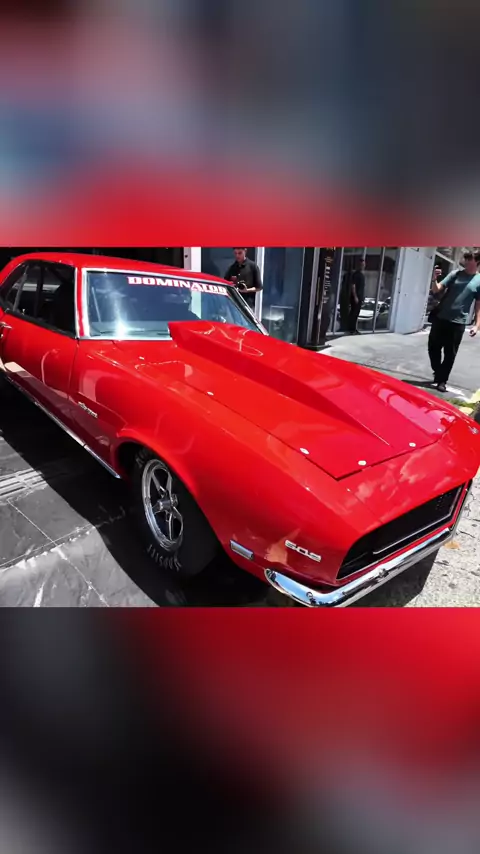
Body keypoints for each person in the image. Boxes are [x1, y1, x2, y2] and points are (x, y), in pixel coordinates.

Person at [428, 250, 480, 392]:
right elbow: (436, 289)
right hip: (441, 318)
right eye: (466, 258)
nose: (466, 261)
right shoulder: (455, 274)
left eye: (470, 258)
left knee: (450, 353)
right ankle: (438, 371)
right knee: (433, 348)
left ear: (477, 262)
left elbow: (478, 305)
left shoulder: (479, 281)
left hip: (458, 322)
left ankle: (442, 380)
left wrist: (477, 325)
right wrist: (434, 279)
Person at [348, 258, 366, 333]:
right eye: (361, 265)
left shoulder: (362, 275)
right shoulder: (356, 274)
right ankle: (351, 329)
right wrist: (355, 296)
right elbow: (353, 286)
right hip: (356, 297)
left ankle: (354, 328)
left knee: (356, 313)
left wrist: (363, 297)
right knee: (354, 313)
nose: (363, 266)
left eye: (364, 264)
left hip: (360, 297)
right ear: (358, 265)